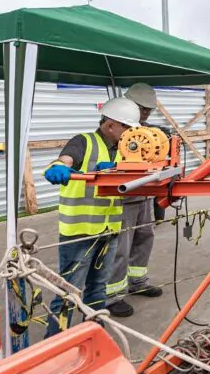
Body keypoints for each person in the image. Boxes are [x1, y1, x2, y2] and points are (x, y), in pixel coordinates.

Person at [41, 96, 141, 338]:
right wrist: (59, 166)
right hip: (79, 233)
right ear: (110, 125)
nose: (131, 134)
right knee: (68, 291)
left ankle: (95, 334)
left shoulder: (125, 150)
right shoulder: (83, 141)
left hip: (109, 231)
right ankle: (54, 343)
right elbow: (66, 158)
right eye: (127, 128)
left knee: (98, 289)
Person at [104, 82, 165, 317]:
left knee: (144, 237)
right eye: (143, 108)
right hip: (122, 197)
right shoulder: (118, 128)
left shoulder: (148, 132)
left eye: (149, 110)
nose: (146, 114)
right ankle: (112, 296)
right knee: (121, 246)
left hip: (144, 194)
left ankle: (137, 282)